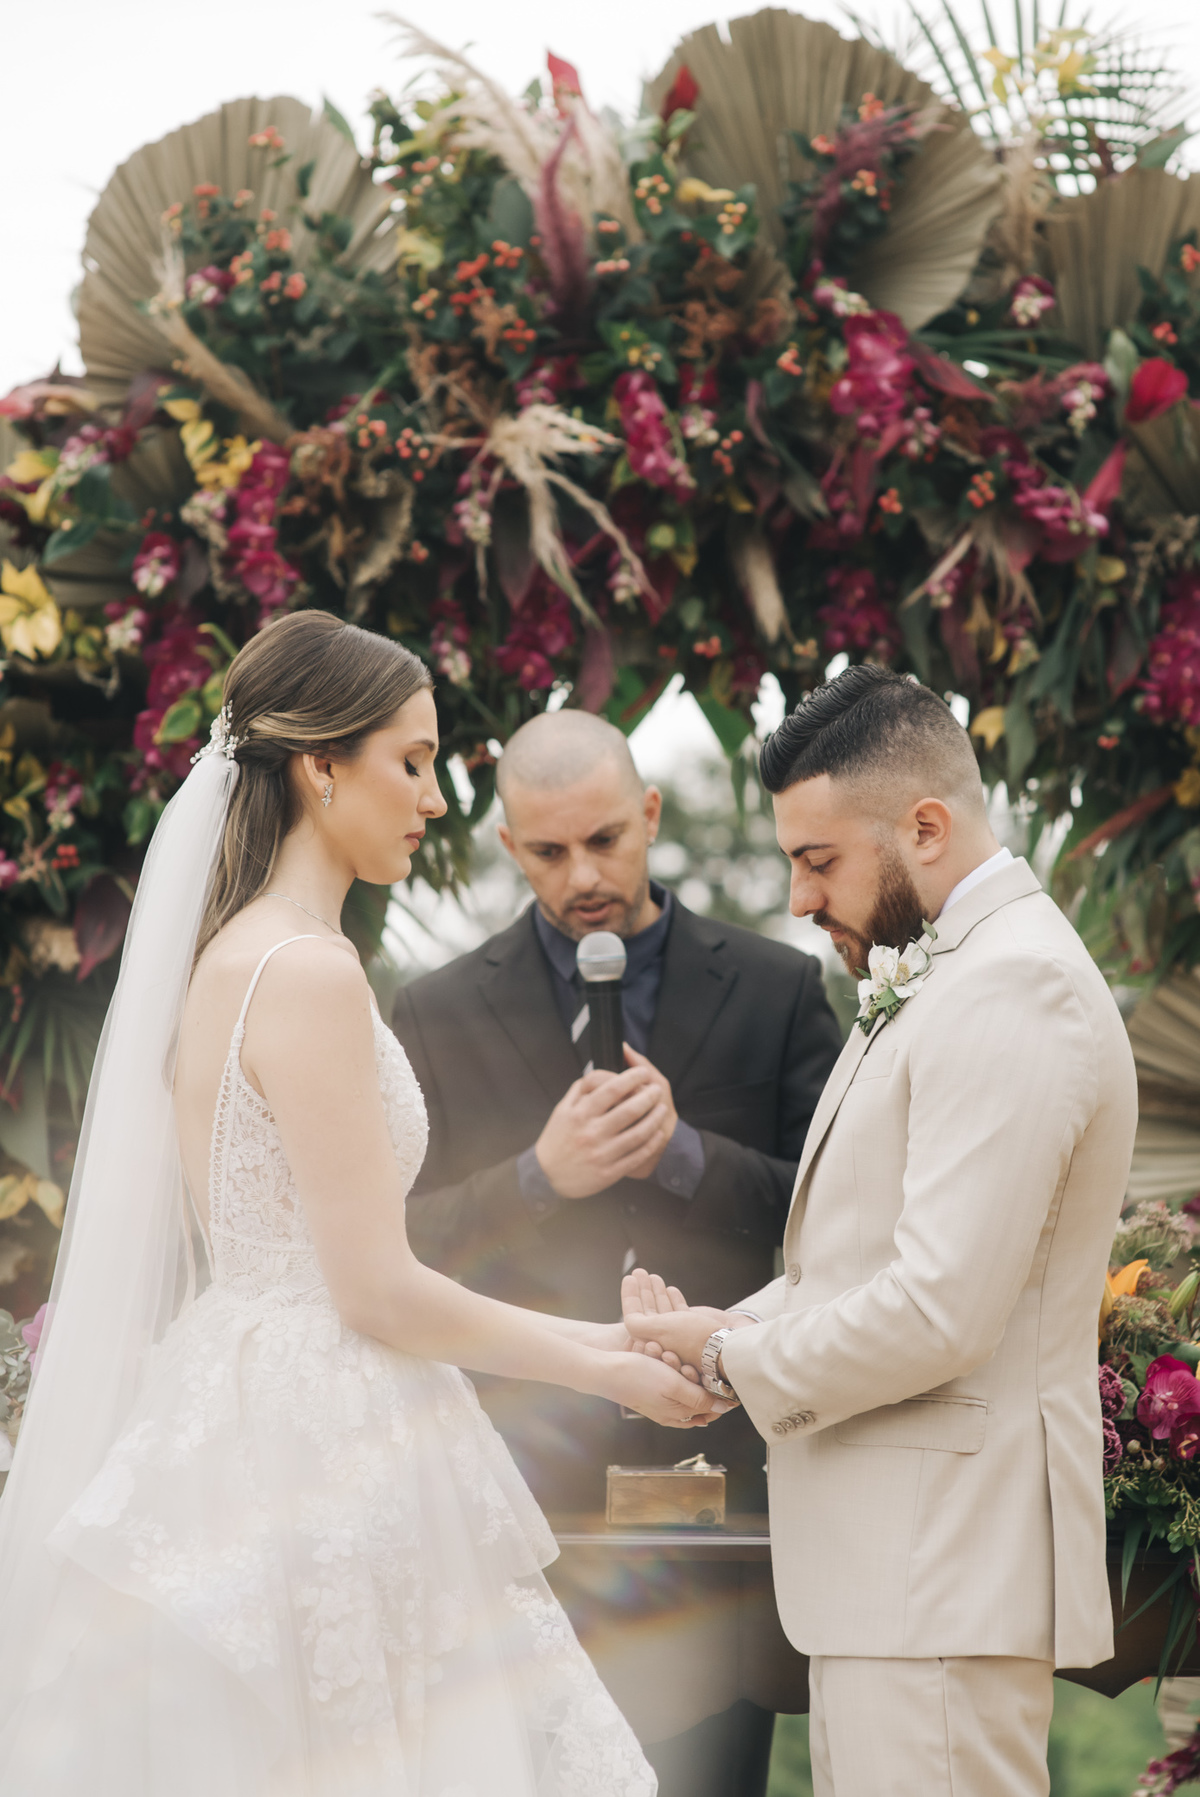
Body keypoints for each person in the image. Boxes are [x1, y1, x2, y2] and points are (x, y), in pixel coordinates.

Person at [0, 611, 729, 1796]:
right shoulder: (309, 974)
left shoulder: (228, 958)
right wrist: (606, 1366)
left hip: (238, 1399)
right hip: (320, 1429)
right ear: (318, 767)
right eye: (412, 759)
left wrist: (611, 1335)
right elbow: (375, 1287)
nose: (434, 797)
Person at [623, 665, 1139, 1797]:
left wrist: (730, 1358)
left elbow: (937, 1312)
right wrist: (724, 1327)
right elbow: (850, 1259)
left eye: (819, 862)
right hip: (898, 1577)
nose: (801, 900)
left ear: (927, 825)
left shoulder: (1015, 989)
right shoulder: (943, 974)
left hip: (943, 1571)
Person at [393, 708, 843, 1796]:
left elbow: (846, 1217)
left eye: (605, 838)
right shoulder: (434, 1012)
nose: (582, 873)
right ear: (508, 847)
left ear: (649, 815)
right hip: (522, 1499)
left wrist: (689, 1156)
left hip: (730, 1492)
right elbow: (391, 1250)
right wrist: (536, 1179)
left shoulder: (779, 989)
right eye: (548, 852)